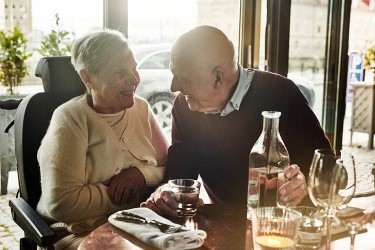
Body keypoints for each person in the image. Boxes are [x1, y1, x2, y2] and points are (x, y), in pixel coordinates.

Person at [141, 25, 332, 217]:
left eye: (182, 78)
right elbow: (179, 177)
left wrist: (303, 185)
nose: (173, 87)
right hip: (224, 227)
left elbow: (329, 172)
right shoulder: (184, 107)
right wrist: (167, 193)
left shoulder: (282, 94)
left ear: (218, 77)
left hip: (280, 225)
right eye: (173, 74)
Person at [36, 29, 169, 249]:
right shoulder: (70, 119)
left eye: (134, 68)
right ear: (87, 77)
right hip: (81, 231)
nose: (134, 80)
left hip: (141, 223)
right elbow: (63, 204)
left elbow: (170, 166)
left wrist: (143, 175)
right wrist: (133, 195)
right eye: (120, 73)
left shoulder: (142, 108)